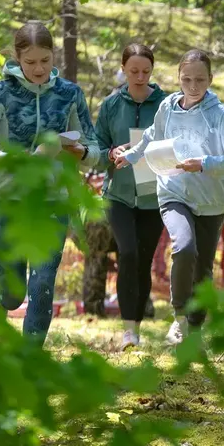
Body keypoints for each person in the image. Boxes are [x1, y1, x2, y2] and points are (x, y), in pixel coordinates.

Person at [0, 21, 100, 345]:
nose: (39, 69)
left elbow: (93, 150)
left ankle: (30, 362)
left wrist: (71, 148)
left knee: (42, 284)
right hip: (5, 196)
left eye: (45, 60)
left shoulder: (70, 94)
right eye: (30, 62)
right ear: (17, 58)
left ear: (54, 57)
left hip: (52, 200)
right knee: (12, 294)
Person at [116, 50, 224, 346]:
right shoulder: (168, 105)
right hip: (173, 191)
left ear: (210, 79)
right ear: (178, 78)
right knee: (184, 247)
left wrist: (203, 163)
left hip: (210, 200)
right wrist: (132, 155)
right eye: (186, 79)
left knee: (204, 266)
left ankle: (195, 325)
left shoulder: (222, 115)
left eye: (200, 80)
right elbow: (151, 135)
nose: (193, 86)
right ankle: (179, 317)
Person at [95, 43, 167, 350]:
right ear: (123, 69)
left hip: (154, 195)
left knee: (144, 260)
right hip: (119, 195)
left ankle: (136, 325)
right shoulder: (111, 105)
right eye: (133, 71)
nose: (139, 77)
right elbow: (96, 150)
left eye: (146, 71)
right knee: (128, 253)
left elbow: (177, 144)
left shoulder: (166, 104)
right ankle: (128, 332)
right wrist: (111, 154)